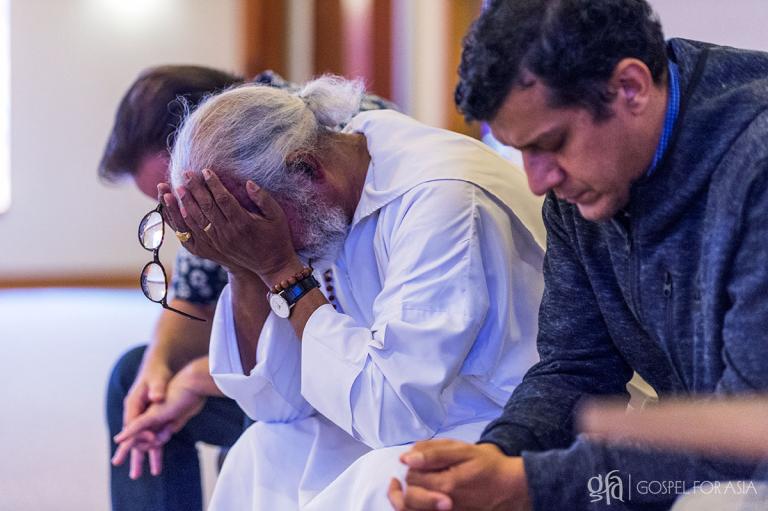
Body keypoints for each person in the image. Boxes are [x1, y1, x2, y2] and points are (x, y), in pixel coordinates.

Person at [388, 0, 768, 510]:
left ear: (629, 87)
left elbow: (745, 437)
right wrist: (493, 460)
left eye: (552, 142)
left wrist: (528, 484)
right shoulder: (588, 185)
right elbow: (575, 368)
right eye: (520, 151)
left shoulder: (756, 164)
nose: (536, 180)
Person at [114, 74, 547, 509]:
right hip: (413, 414)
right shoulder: (327, 191)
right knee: (263, 450)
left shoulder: (442, 199)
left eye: (257, 224)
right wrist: (241, 267)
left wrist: (281, 270)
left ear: (306, 169)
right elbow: (278, 406)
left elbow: (393, 412)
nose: (259, 238)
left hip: (501, 422)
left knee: (387, 480)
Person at [101, 65, 394, 511]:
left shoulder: (336, 150)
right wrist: (157, 370)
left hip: (352, 386)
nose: (186, 222)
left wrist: (199, 379)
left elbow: (349, 329)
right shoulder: (210, 185)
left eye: (188, 203)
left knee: (258, 435)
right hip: (283, 354)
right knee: (133, 377)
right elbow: (192, 297)